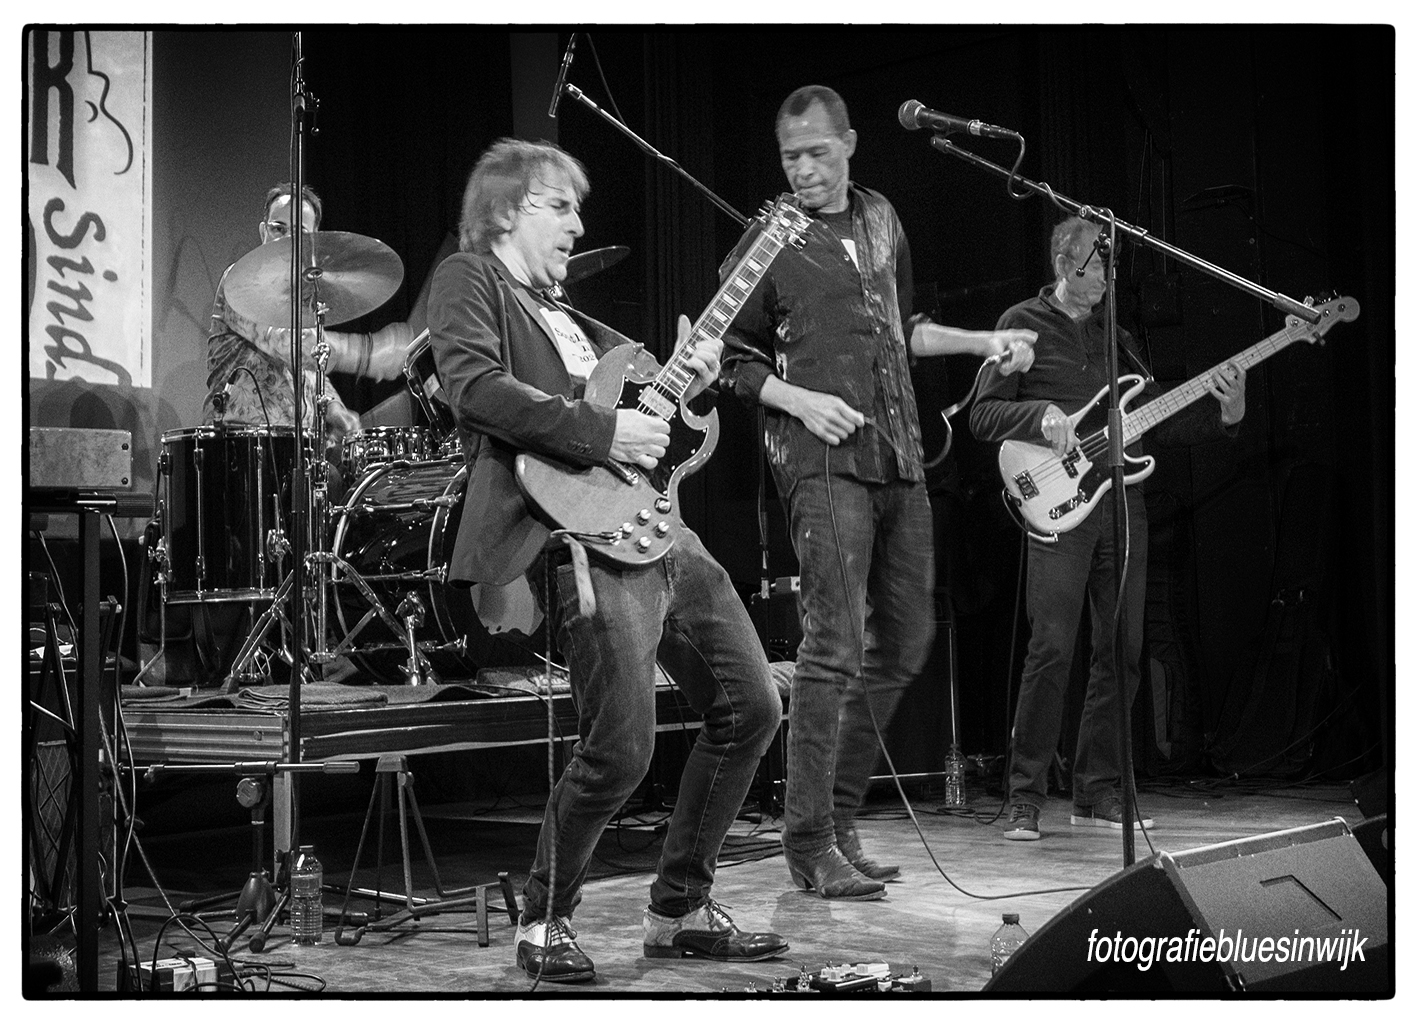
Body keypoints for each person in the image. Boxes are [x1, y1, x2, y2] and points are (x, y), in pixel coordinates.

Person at [427, 139, 788, 983]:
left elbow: (648, 408)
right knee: (621, 749)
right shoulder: (469, 278)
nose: (576, 225)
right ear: (507, 211)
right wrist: (604, 431)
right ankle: (543, 918)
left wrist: (690, 379)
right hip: (579, 535)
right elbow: (473, 388)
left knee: (753, 708)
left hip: (661, 528)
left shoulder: (572, 317)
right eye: (559, 206)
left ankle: (679, 908)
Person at [720, 85, 1036, 901]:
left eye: (816, 153)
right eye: (790, 157)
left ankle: (838, 818)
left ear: (850, 144)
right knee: (833, 646)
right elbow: (726, 356)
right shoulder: (769, 236)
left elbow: (903, 328)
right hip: (820, 462)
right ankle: (807, 840)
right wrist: (799, 400)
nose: (803, 170)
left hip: (897, 455)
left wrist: (983, 341)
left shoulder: (881, 218)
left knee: (906, 641)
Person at [970, 215, 1247, 841]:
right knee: (1051, 649)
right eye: (1100, 264)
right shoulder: (1022, 324)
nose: (1109, 275)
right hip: (1056, 508)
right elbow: (982, 415)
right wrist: (1040, 415)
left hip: (1122, 506)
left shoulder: (1116, 335)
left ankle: (1097, 791)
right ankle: (1024, 796)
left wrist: (1225, 415)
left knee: (1121, 650)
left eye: (1111, 265)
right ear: (1066, 265)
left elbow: (1155, 419)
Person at [202, 182, 413, 440]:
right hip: (239, 443)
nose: (287, 240)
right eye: (278, 229)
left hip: (297, 444)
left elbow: (307, 366)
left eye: (299, 233)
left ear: (313, 243)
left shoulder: (304, 296)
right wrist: (367, 354)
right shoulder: (240, 282)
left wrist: (333, 407)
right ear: (263, 232)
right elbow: (289, 344)